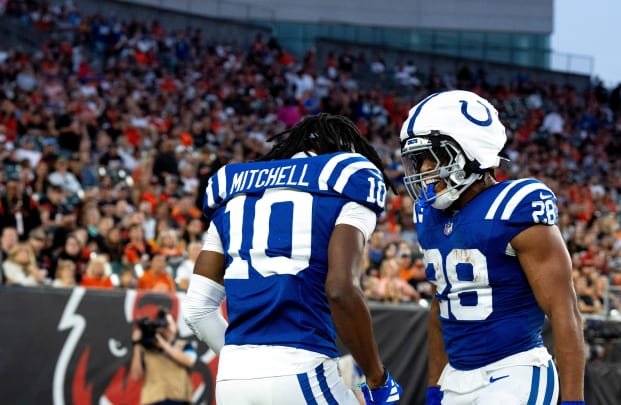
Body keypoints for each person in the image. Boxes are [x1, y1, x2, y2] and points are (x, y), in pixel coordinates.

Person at [184, 113, 402, 405]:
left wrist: (250, 367)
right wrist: (377, 379)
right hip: (301, 366)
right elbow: (340, 290)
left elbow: (197, 310)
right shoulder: (345, 181)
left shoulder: (234, 193)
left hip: (231, 379)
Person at [398, 90, 585, 405]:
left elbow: (564, 310)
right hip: (456, 378)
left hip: (514, 372)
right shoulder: (428, 216)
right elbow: (440, 306)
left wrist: (573, 401)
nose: (424, 171)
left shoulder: (515, 206)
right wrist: (434, 386)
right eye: (418, 161)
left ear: (470, 152)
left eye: (434, 157)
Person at [130, 308, 197, 405]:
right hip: (153, 400)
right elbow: (136, 376)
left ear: (175, 325)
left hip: (180, 399)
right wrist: (136, 344)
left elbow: (190, 361)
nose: (166, 328)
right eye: (163, 324)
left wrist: (163, 344)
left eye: (168, 323)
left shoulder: (184, 345)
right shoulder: (146, 349)